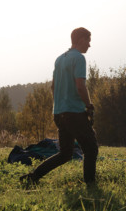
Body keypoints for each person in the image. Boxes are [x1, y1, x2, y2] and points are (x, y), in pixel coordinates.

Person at [21, 27, 99, 186]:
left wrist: (60, 106)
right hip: (74, 113)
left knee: (65, 154)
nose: (89, 45)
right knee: (91, 149)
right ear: (80, 40)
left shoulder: (59, 59)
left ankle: (33, 177)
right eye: (88, 41)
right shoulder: (79, 58)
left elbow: (53, 87)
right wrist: (89, 106)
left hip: (59, 113)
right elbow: (80, 86)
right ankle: (91, 186)